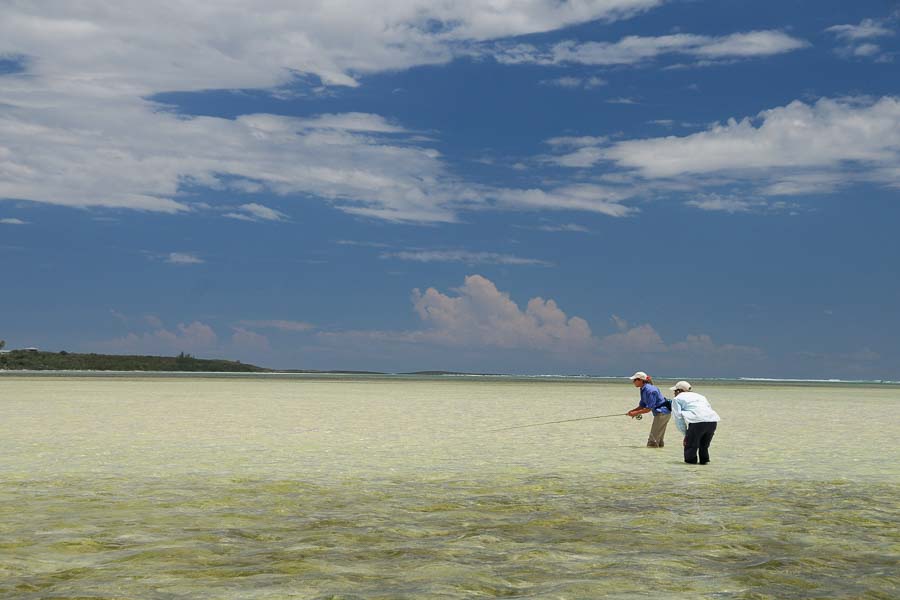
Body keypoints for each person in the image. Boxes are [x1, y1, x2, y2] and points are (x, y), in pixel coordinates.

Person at [669, 381, 720, 465]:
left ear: (679, 390)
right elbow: (708, 408)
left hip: (697, 422)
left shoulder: (677, 399)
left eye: (675, 391)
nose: (674, 393)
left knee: (690, 447)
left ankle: (691, 470)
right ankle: (704, 468)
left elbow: (678, 418)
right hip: (713, 421)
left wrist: (686, 435)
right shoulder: (701, 396)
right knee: (704, 447)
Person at [626, 371, 671, 448]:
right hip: (662, 413)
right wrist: (633, 411)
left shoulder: (650, 390)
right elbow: (642, 405)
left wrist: (636, 413)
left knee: (652, 440)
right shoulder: (643, 389)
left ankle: (650, 457)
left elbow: (648, 409)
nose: (633, 382)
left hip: (662, 413)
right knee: (658, 439)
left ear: (640, 380)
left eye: (634, 380)